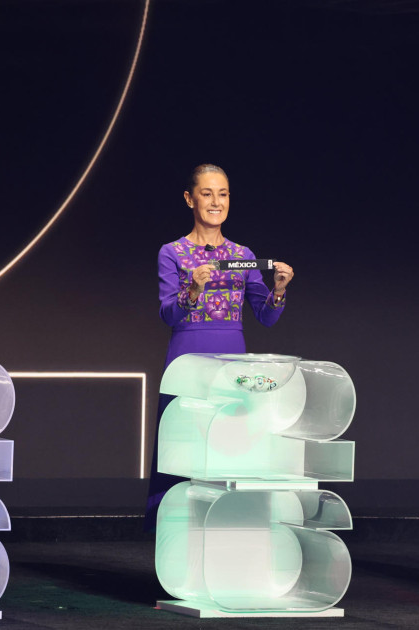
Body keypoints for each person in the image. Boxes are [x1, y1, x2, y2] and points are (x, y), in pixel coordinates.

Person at [145, 163, 294, 529]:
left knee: (229, 449)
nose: (216, 202)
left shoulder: (242, 254)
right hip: (187, 362)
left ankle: (228, 532)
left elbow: (266, 316)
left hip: (231, 364)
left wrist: (278, 289)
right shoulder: (173, 252)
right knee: (183, 453)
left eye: (223, 194)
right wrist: (192, 288)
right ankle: (176, 537)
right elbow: (167, 314)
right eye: (207, 193)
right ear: (189, 198)